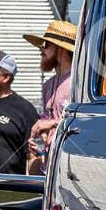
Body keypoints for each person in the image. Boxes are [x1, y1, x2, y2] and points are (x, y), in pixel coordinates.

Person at [23, 20, 76, 173]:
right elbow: (47, 123)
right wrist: (41, 139)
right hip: (50, 168)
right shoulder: (48, 85)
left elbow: (87, 121)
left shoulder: (79, 81)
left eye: (46, 45)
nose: (41, 49)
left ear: (61, 49)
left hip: (69, 169)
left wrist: (52, 123)